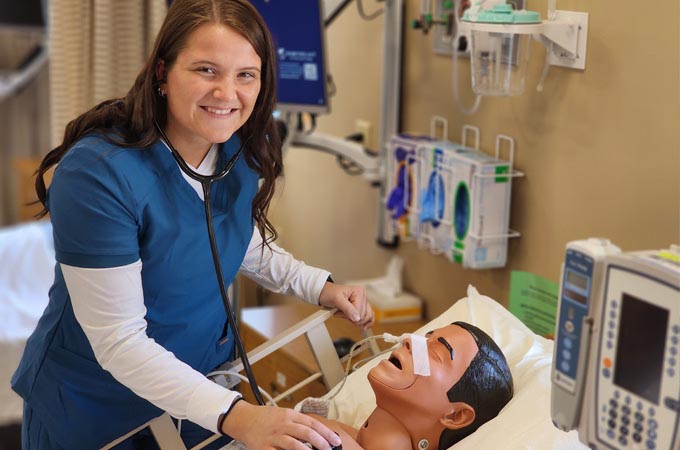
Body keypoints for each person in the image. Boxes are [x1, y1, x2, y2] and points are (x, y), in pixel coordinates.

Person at [11, 1, 373, 449]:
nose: (227, 93)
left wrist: (318, 286)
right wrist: (239, 417)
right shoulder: (98, 174)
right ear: (162, 72)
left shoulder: (239, 146)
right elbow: (119, 343)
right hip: (95, 410)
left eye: (246, 75)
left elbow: (234, 237)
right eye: (206, 69)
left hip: (201, 394)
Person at [307, 322, 514, 450]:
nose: (410, 342)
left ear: (455, 415)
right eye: (425, 338)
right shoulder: (334, 431)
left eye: (435, 353)